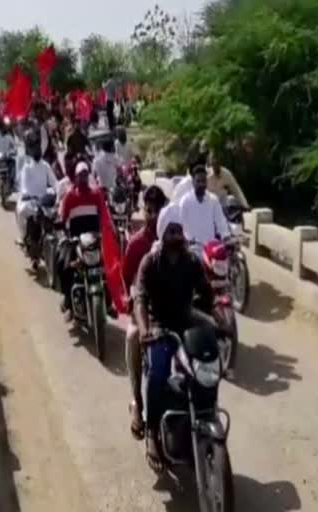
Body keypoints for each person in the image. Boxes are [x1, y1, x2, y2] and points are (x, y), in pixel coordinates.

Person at [133, 203, 214, 472]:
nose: (177, 236)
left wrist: (207, 314)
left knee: (206, 367)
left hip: (185, 324)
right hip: (160, 328)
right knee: (157, 371)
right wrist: (145, 330)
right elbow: (140, 299)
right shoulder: (150, 263)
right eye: (171, 231)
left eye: (179, 230)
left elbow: (205, 292)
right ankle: (153, 434)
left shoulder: (191, 261)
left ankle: (205, 416)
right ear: (162, 233)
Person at [122, 186, 168, 441]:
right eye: (148, 211)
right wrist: (135, 302)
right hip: (146, 313)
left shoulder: (176, 238)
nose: (152, 216)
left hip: (172, 311)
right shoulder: (137, 244)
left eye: (157, 210)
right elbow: (128, 278)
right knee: (132, 337)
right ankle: (138, 402)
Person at [57, 162, 109, 320]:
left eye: (86, 174)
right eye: (80, 175)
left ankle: (110, 301)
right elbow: (63, 218)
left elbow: (104, 215)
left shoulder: (96, 194)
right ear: (76, 177)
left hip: (94, 240)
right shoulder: (70, 197)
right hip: (76, 241)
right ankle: (68, 300)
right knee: (63, 264)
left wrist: (107, 231)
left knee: (110, 266)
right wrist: (62, 230)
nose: (83, 178)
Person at [179, 165, 231, 258]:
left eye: (203, 181)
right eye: (198, 181)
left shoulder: (213, 200)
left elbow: (221, 222)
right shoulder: (185, 201)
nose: (201, 184)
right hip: (191, 251)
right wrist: (185, 240)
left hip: (210, 250)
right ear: (193, 182)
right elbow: (180, 224)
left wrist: (226, 237)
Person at [16, 130, 58, 244]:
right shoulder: (27, 167)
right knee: (20, 211)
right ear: (30, 150)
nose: (37, 150)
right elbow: (23, 186)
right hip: (31, 202)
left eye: (38, 148)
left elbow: (54, 182)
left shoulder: (45, 165)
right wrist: (27, 195)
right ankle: (23, 236)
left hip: (44, 202)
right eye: (34, 148)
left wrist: (57, 192)